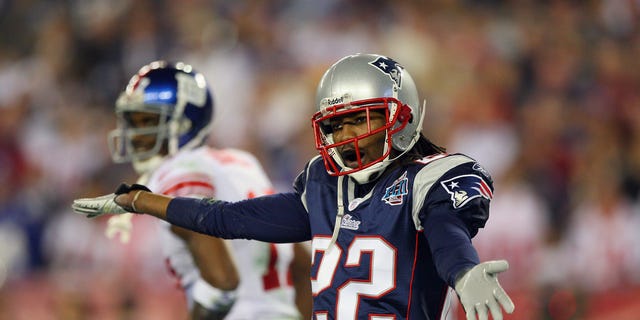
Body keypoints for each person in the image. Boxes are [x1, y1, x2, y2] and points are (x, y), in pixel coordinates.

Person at [74, 53, 515, 320]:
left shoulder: (431, 177)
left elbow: (445, 232)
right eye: (337, 126)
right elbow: (226, 219)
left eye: (361, 120)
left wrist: (463, 271)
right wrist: (139, 200)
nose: (347, 137)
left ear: (402, 115)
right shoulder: (323, 187)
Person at [97, 61, 311, 320]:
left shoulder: (176, 172)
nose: (135, 135)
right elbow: (301, 263)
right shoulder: (241, 163)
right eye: (132, 122)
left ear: (184, 123)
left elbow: (222, 283)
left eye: (147, 121)